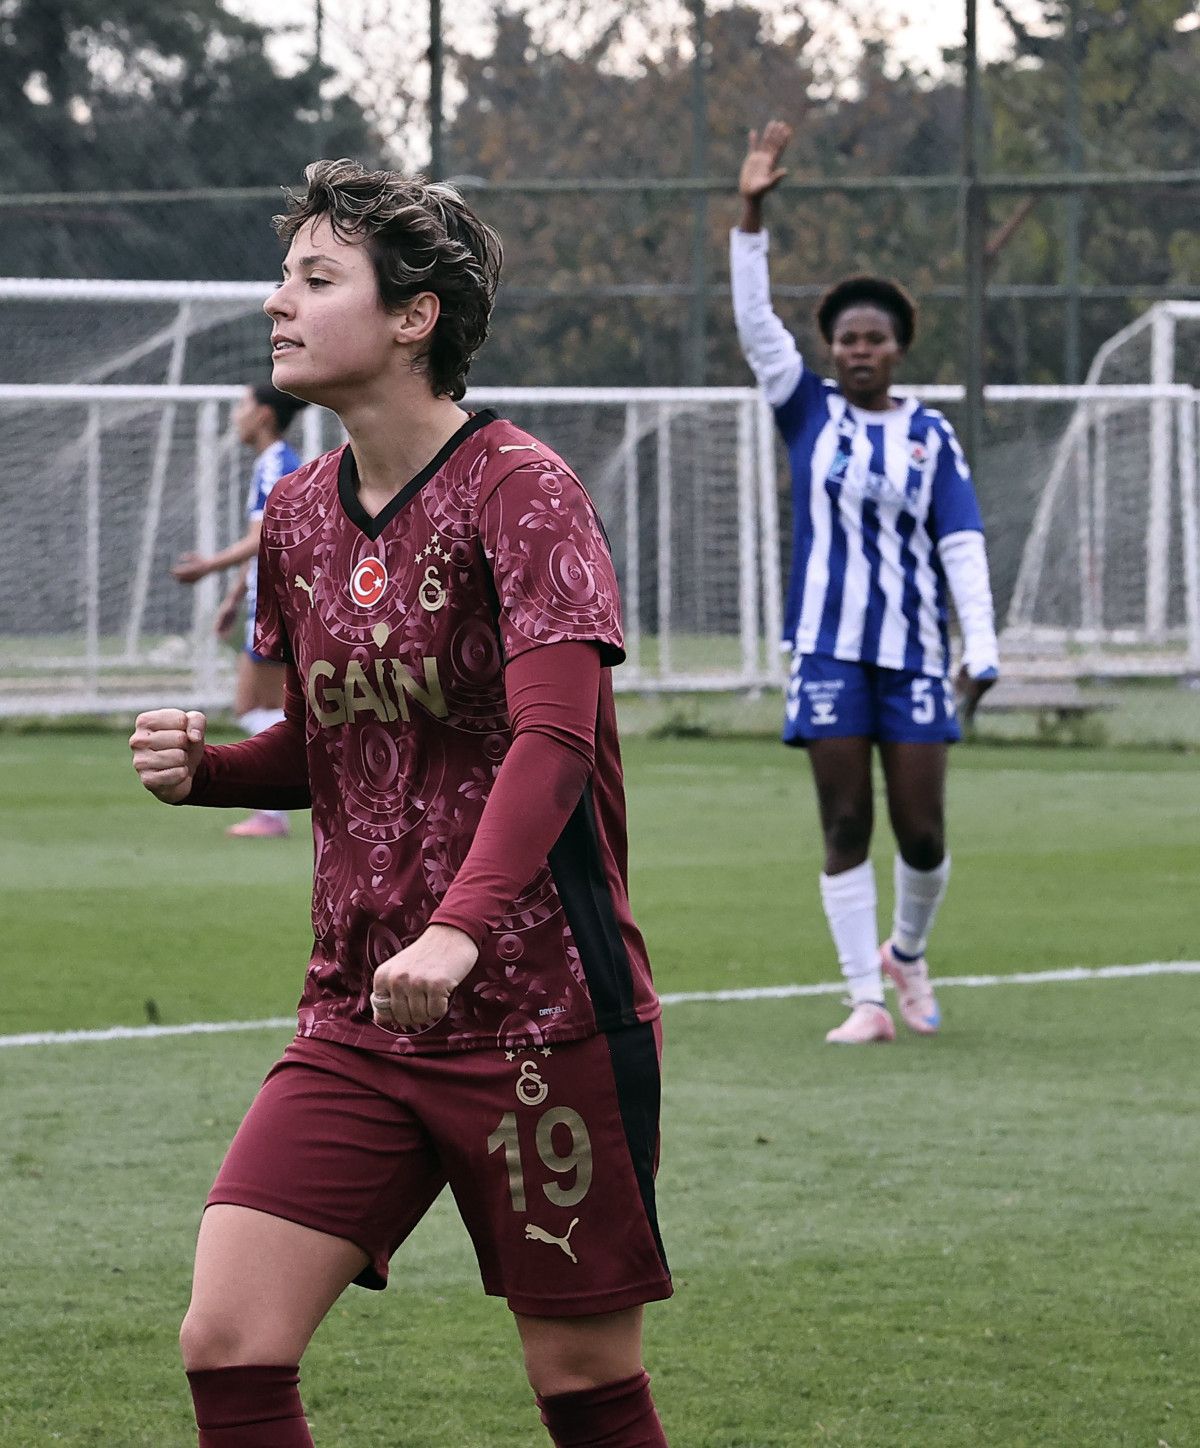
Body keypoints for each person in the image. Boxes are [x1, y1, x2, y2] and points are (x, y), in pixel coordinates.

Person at [130, 158, 671, 1448]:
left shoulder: (523, 488)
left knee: (583, 1380)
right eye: (284, 276)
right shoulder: (297, 513)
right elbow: (331, 746)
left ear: (415, 315)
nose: (279, 302)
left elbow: (554, 737)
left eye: (317, 278)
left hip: (539, 1011)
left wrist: (460, 929)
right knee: (229, 1338)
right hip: (360, 1011)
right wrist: (213, 770)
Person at [730, 120, 999, 1045]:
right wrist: (751, 213)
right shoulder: (806, 410)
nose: (857, 350)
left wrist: (982, 646)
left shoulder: (931, 436)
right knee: (846, 822)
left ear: (898, 349)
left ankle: (907, 953)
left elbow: (961, 540)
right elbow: (755, 323)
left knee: (922, 834)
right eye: (845, 338)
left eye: (874, 339)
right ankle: (864, 1000)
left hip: (915, 655)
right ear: (832, 348)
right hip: (828, 650)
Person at [171, 382, 309, 838]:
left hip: (278, 604)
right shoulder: (270, 462)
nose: (237, 415)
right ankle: (280, 806)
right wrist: (233, 598)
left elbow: (263, 537)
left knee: (264, 706)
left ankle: (281, 808)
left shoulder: (276, 463)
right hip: (263, 602)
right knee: (255, 704)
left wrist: (208, 566)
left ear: (264, 415)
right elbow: (265, 546)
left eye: (243, 405)